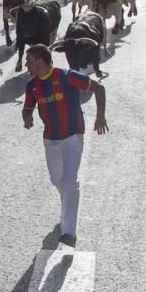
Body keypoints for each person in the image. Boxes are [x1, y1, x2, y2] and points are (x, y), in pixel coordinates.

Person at [22, 43, 108, 247]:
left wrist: (100, 116)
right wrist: (27, 117)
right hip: (50, 140)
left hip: (72, 137)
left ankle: (69, 232)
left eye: (29, 60)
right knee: (56, 180)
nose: (27, 64)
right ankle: (67, 198)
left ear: (40, 61)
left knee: (70, 182)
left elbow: (98, 87)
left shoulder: (66, 76)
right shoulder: (32, 85)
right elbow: (27, 108)